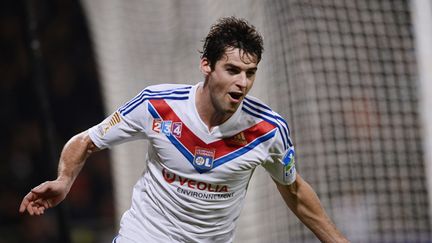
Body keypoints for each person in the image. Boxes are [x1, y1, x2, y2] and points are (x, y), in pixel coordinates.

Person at [19, 16, 348, 242]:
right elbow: (86, 141)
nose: (242, 83)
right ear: (206, 65)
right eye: (232, 70)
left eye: (250, 73)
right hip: (145, 235)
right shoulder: (157, 105)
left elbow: (295, 192)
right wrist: (64, 180)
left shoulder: (267, 130)